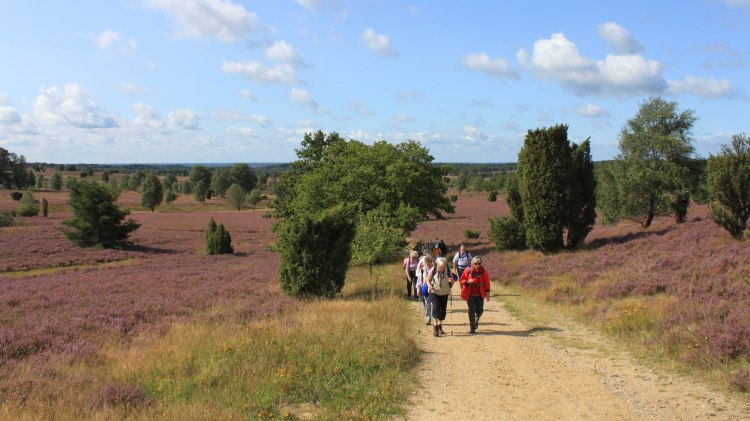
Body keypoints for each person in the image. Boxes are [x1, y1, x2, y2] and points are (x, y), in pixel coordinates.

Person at [459, 256, 490, 334]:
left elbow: (487, 282)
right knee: (471, 310)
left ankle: (476, 320)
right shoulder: (467, 270)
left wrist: (488, 293)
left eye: (479, 263)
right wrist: (468, 282)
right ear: (472, 264)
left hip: (480, 294)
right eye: (475, 264)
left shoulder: (483, 271)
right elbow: (461, 280)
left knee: (480, 311)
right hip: (470, 294)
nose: (477, 265)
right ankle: (472, 327)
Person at [426, 257, 452, 337]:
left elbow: (452, 281)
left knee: (443, 310)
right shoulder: (433, 270)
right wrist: (429, 285)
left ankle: (440, 326)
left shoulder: (448, 271)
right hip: (435, 292)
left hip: (444, 293)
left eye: (443, 267)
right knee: (435, 308)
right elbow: (427, 280)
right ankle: (435, 328)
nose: (441, 269)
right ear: (437, 265)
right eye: (440, 267)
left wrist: (451, 281)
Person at [416, 253, 435, 325]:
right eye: (428, 264)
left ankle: (434, 319)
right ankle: (428, 319)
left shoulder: (435, 268)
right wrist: (418, 289)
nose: (429, 265)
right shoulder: (422, 269)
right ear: (425, 263)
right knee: (427, 304)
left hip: (433, 288)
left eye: (430, 264)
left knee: (433, 305)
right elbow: (420, 279)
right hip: (425, 288)